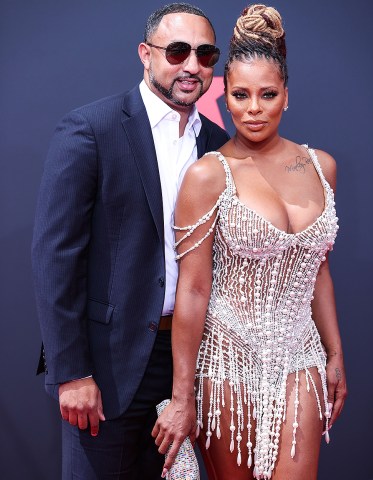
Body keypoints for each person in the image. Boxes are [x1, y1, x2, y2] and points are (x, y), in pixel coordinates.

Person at [31, 3, 229, 479]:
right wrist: (72, 371)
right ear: (146, 54)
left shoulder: (219, 147)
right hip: (106, 364)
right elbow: (56, 256)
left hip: (188, 365)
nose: (191, 66)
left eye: (205, 55)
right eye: (178, 51)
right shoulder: (92, 129)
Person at [152, 4, 347, 479]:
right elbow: (193, 291)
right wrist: (182, 396)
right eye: (240, 95)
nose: (253, 108)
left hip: (301, 354)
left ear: (286, 96)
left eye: (267, 94)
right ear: (225, 96)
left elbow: (316, 268)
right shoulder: (207, 175)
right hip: (226, 356)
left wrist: (335, 352)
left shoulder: (322, 168)